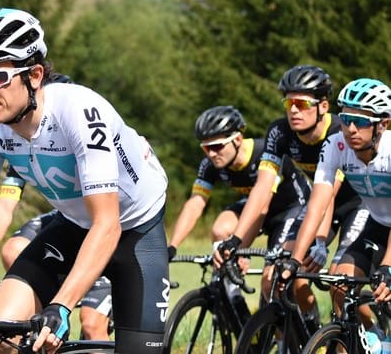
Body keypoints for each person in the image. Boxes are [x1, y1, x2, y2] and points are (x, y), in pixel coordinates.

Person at [0, 7, 169, 354]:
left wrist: (61, 305)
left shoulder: (79, 112)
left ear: (35, 75)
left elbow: (108, 224)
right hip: (73, 225)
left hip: (134, 231)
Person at [214, 65, 368, 321]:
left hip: (357, 205)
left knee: (341, 285)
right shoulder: (279, 132)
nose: (293, 110)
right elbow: (262, 189)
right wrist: (236, 240)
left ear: (323, 106)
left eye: (302, 103)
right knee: (278, 272)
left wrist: (318, 240)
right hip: (319, 202)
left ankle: (373, 330)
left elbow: (330, 191)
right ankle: (310, 334)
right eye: (288, 103)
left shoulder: (340, 131)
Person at [167, 105, 312, 305]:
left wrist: (239, 248)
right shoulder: (210, 165)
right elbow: (195, 204)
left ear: (237, 140)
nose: (211, 154)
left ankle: (295, 330)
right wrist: (172, 246)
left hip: (291, 209)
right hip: (255, 205)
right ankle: (234, 299)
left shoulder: (265, 154)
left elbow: (261, 208)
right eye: (205, 148)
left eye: (217, 146)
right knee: (220, 229)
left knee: (271, 282)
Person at [280, 78, 391, 338]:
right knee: (340, 286)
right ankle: (374, 339)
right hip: (377, 223)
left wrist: (388, 267)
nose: (351, 128)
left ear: (382, 124)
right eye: (345, 119)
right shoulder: (335, 145)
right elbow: (317, 205)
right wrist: (296, 260)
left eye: (361, 122)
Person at [0, 165, 112, 341]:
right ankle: (42, 325)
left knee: (92, 324)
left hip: (109, 222)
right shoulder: (17, 148)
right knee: (13, 249)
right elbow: (4, 207)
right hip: (65, 218)